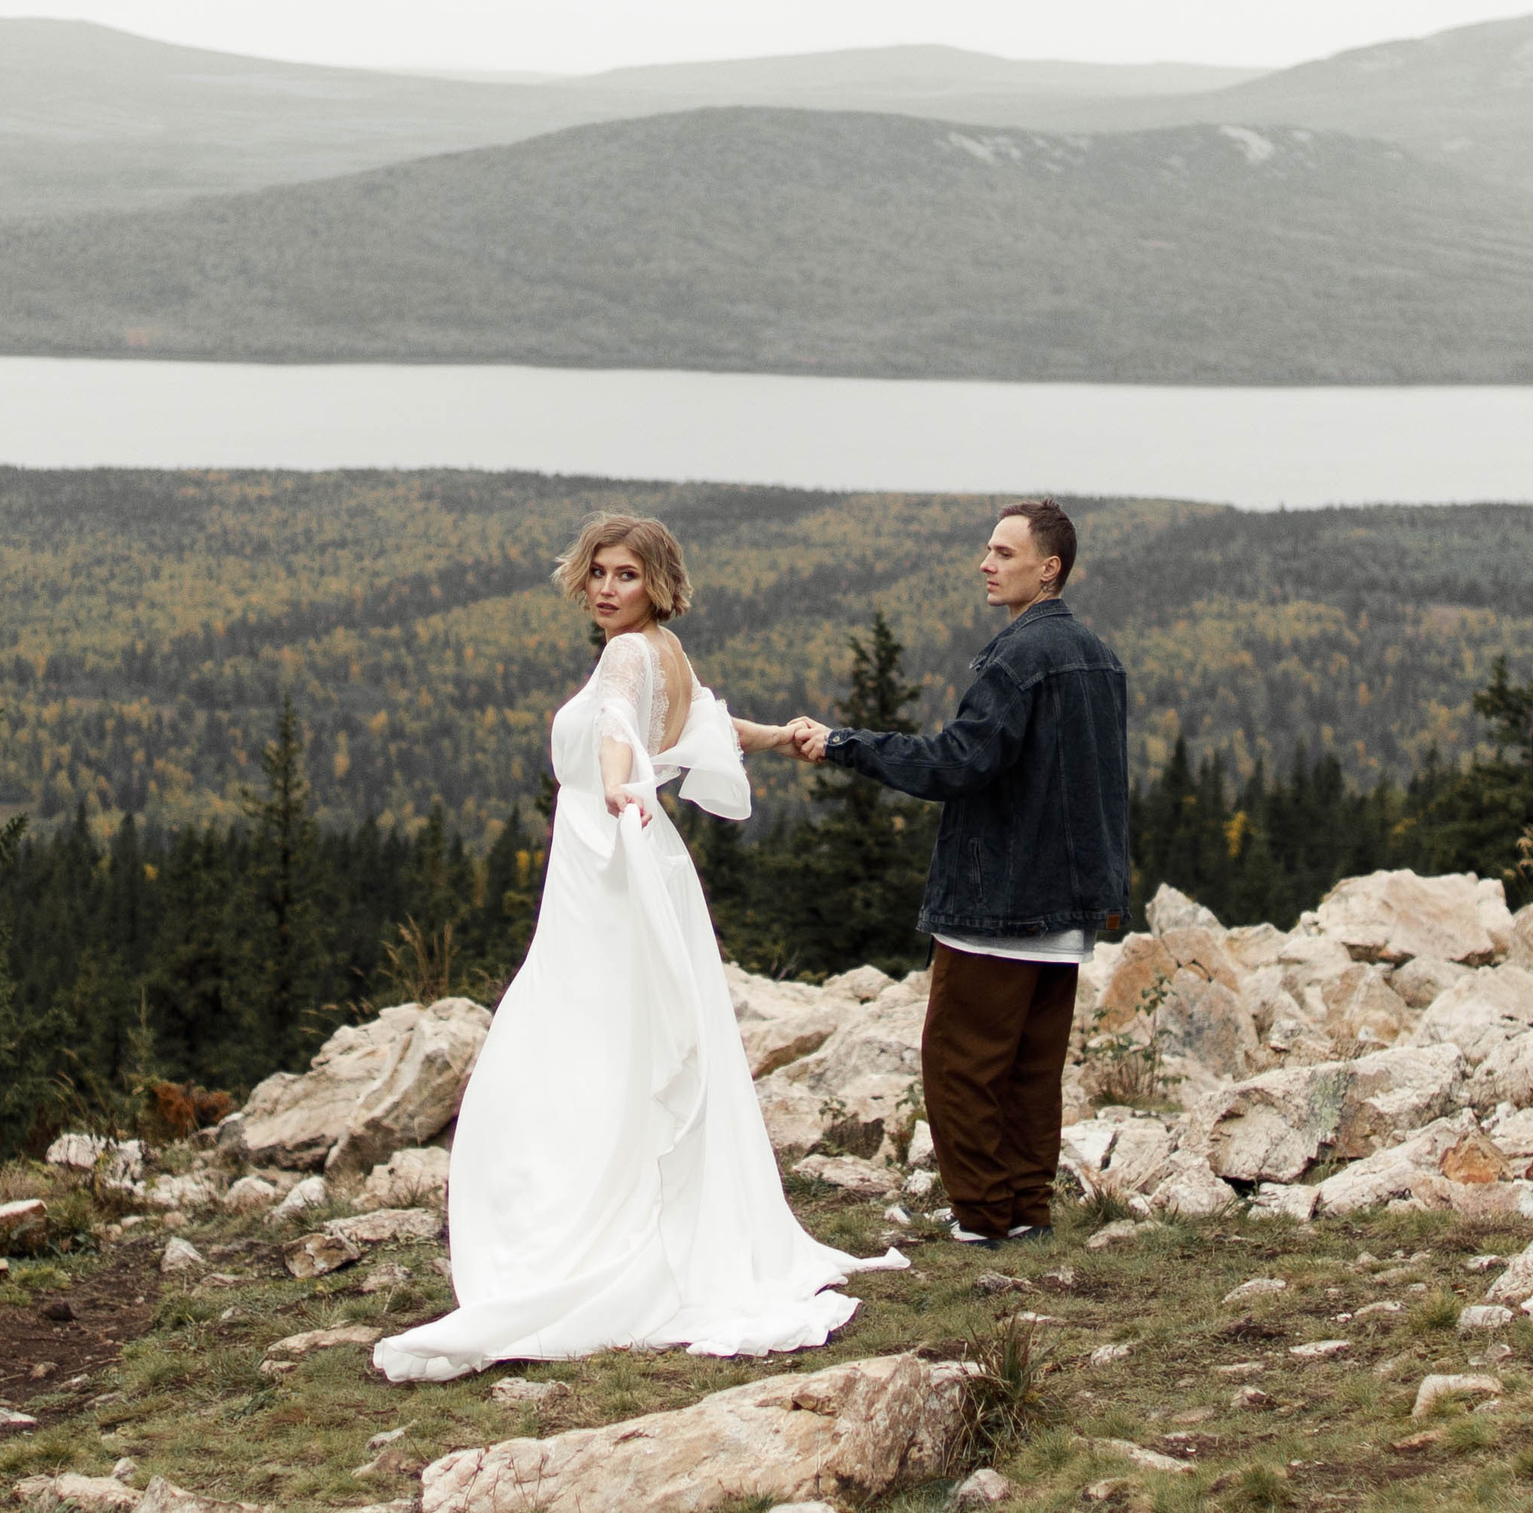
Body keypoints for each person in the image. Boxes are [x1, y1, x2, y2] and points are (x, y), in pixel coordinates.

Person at [374, 513, 903, 1385]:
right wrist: (783, 737)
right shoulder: (667, 650)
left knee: (578, 1033)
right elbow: (709, 727)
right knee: (628, 1031)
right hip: (638, 850)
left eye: (625, 574)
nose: (606, 588)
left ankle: (589, 1220)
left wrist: (619, 784)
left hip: (609, 854)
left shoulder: (628, 657)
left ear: (658, 581)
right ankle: (650, 1205)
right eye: (597, 573)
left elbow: (622, 723)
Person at [791, 499, 1128, 1247]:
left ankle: (981, 1216)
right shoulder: (1100, 657)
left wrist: (845, 742)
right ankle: (1027, 1210)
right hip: (1066, 910)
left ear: (1049, 569)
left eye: (1004, 552)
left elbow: (956, 762)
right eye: (988, 549)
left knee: (961, 1065)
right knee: (1032, 1072)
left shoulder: (1016, 658)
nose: (985, 562)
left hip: (998, 902)